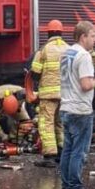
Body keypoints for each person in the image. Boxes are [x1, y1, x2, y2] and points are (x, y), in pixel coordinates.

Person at [59, 21, 95, 189]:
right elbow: (85, 85)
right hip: (80, 110)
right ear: (83, 36)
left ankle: (66, 185)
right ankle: (75, 186)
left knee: (67, 150)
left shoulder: (66, 53)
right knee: (78, 151)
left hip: (66, 108)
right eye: (92, 35)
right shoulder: (84, 56)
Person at [30, 20, 69, 167]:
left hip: (48, 95)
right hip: (65, 95)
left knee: (46, 124)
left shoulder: (44, 50)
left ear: (48, 33)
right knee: (60, 123)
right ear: (61, 32)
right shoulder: (68, 49)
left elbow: (35, 73)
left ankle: (49, 156)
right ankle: (62, 151)